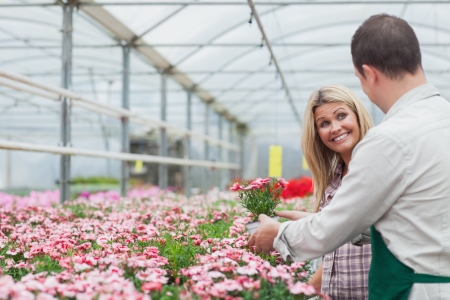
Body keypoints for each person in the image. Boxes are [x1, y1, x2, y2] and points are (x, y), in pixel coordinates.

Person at [249, 14, 450, 300]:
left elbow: (328, 232)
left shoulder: (389, 138)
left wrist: (279, 234)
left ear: (369, 74)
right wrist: (325, 222)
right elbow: (416, 218)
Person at [276, 84, 373, 298]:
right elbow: (335, 252)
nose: (335, 128)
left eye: (341, 115)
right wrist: (304, 291)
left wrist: (281, 234)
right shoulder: (332, 181)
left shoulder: (377, 169)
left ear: (358, 115)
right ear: (317, 133)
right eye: (324, 123)